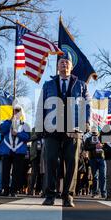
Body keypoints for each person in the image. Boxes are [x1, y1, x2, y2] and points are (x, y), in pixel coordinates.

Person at [40, 51, 90, 207]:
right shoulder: (48, 85)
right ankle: (49, 195)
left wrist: (86, 122)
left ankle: (68, 195)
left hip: (73, 128)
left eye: (67, 62)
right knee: (51, 162)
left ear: (71, 66)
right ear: (57, 66)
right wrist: (41, 126)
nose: (64, 64)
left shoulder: (82, 85)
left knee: (72, 163)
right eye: (61, 62)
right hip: (52, 128)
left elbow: (88, 105)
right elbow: (41, 106)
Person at [0, 105, 30, 197]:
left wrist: (17, 134)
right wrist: (10, 121)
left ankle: (14, 190)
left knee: (17, 172)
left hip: (19, 151)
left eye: (17, 111)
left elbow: (27, 137)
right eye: (14, 111)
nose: (15, 113)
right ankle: (5, 190)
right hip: (7, 150)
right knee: (5, 171)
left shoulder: (25, 125)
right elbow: (2, 130)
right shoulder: (7, 123)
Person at [84, 125, 106, 199]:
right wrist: (94, 146)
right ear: (91, 132)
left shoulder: (102, 138)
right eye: (93, 132)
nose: (94, 134)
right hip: (93, 159)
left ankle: (103, 192)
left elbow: (107, 146)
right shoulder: (88, 139)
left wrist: (102, 145)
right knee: (95, 177)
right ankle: (95, 192)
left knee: (102, 176)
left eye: (95, 132)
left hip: (102, 158)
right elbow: (85, 147)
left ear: (98, 132)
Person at [29, 130, 44, 196]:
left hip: (43, 155)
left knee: (42, 174)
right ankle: (31, 190)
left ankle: (39, 190)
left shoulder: (46, 129)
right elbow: (30, 138)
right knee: (34, 173)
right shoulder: (34, 129)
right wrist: (37, 135)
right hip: (35, 155)